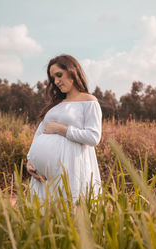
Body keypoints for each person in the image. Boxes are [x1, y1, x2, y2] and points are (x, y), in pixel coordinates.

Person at [26, 54, 102, 202]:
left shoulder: (89, 102)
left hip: (72, 168)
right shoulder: (56, 104)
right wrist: (30, 160)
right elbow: (39, 132)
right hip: (43, 178)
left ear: (72, 71)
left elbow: (94, 137)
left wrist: (62, 129)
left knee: (69, 211)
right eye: (53, 78)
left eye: (59, 75)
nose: (56, 81)